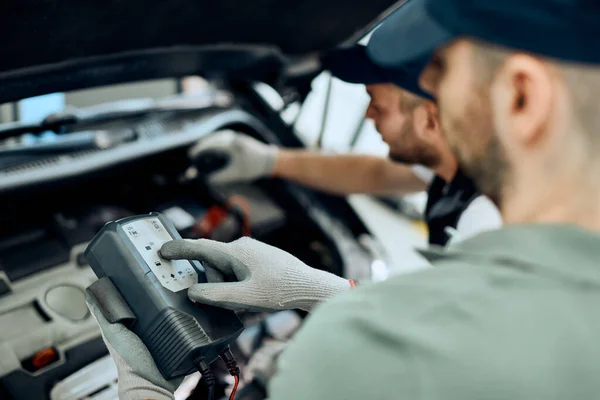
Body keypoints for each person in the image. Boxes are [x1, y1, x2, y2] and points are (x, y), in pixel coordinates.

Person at [87, 0, 600, 398]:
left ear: (522, 98)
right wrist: (322, 290)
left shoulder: (374, 351)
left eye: (443, 70)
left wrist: (148, 395)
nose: (430, 88)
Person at [189, 45, 502, 246]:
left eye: (378, 106)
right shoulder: (456, 161)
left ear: (431, 121)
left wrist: (319, 290)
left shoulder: (485, 223)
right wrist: (269, 160)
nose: (368, 115)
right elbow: (374, 174)